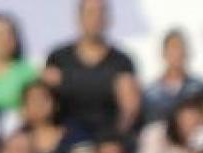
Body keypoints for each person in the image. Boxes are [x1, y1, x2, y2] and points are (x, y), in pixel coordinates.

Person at [44, 0, 140, 140]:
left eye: (100, 13)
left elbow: (130, 110)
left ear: (108, 19)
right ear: (79, 17)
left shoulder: (122, 62)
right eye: (90, 13)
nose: (95, 19)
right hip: (66, 143)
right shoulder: (58, 58)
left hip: (109, 144)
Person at [143, 29, 203, 125]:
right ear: (163, 53)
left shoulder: (201, 88)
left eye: (181, 48)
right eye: (173, 48)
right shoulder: (150, 93)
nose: (177, 53)